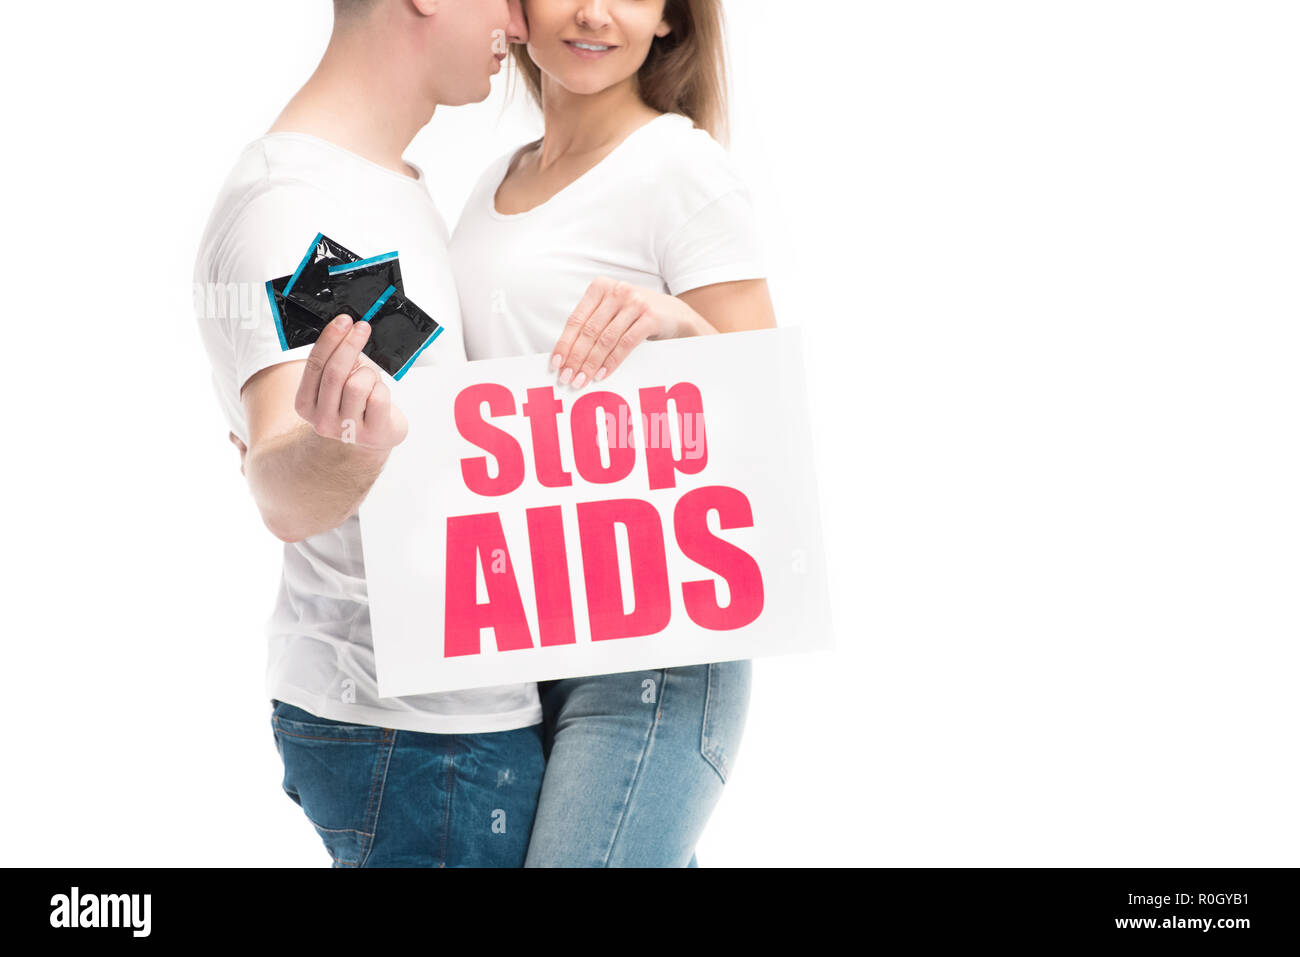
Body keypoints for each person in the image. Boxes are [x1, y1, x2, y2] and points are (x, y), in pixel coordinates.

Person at [191, 0, 546, 867]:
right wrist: (348, 445)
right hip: (424, 744)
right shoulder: (293, 202)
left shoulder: (386, 182)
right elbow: (280, 480)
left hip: (449, 731)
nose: (524, 22)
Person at [447, 0, 774, 866]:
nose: (592, 13)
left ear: (669, 18)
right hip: (520, 634)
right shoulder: (492, 183)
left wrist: (679, 325)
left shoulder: (679, 167)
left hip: (653, 650)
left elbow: (767, 421)